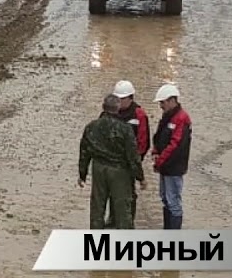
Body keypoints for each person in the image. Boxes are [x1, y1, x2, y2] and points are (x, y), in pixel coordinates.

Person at [78, 95, 146, 229]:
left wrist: (82, 174)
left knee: (97, 207)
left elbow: (84, 152)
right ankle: (124, 242)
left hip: (98, 169)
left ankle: (96, 241)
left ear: (103, 107)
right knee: (122, 209)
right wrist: (140, 177)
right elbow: (133, 156)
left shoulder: (91, 127)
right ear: (118, 108)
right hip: (119, 171)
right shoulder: (125, 129)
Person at [104, 80, 150, 228]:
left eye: (121, 99)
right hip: (111, 162)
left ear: (130, 98)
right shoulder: (109, 113)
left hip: (129, 163)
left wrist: (135, 162)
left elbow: (143, 142)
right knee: (112, 192)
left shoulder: (139, 115)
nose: (119, 102)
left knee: (129, 195)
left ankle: (129, 222)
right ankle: (112, 220)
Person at [151, 83, 192, 230]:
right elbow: (160, 137)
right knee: (165, 198)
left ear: (171, 100)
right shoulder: (168, 117)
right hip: (166, 166)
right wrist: (156, 152)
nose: (161, 105)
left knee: (173, 202)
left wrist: (159, 161)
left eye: (162, 102)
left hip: (174, 168)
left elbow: (175, 146)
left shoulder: (181, 119)